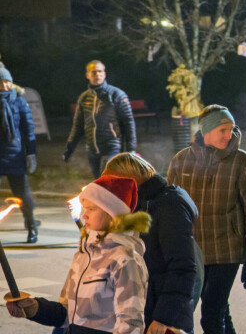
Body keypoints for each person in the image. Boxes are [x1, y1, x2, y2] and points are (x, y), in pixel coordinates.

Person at [167, 104, 246, 334]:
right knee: (220, 311)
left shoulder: (244, 163)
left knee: (212, 315)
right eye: (222, 130)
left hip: (227, 251)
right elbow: (171, 206)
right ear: (206, 130)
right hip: (194, 251)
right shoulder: (181, 160)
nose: (229, 135)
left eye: (231, 129)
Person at [6, 176, 149, 333]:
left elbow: (131, 323)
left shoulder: (125, 259)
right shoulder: (84, 253)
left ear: (111, 214)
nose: (84, 215)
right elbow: (68, 314)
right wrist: (34, 309)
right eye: (84, 209)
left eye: (91, 209)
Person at [103, 153, 200, 334]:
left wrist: (163, 317)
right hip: (146, 307)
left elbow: (182, 267)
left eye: (112, 184)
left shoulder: (169, 206)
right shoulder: (141, 203)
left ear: (129, 181)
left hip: (163, 314)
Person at [64, 60, 137, 178]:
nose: (97, 75)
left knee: (108, 179)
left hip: (112, 146)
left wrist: (131, 149)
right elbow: (78, 125)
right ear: (87, 75)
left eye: (100, 71)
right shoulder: (84, 97)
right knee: (98, 181)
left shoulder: (117, 94)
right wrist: (69, 149)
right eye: (93, 72)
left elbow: (128, 122)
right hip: (92, 149)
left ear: (104, 74)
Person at [0, 67, 39, 243]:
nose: (4, 86)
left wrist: (31, 153)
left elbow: (28, 130)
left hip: (15, 156)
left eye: (7, 82)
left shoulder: (19, 101)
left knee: (22, 194)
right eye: (0, 83)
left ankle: (31, 226)